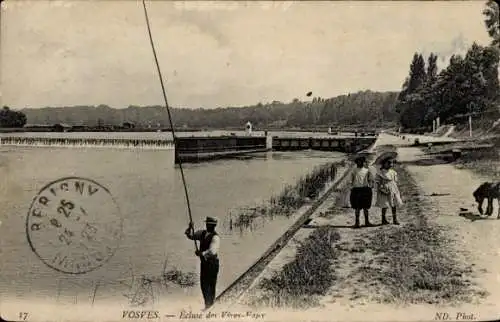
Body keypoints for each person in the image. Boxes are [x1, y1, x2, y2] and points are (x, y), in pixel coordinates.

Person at [185, 216, 220, 310]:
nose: (209, 226)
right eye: (208, 224)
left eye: (211, 225)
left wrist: (201, 253)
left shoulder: (215, 237)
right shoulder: (202, 233)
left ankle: (210, 306)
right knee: (204, 285)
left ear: (214, 226)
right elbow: (191, 236)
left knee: (211, 285)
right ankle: (207, 305)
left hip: (212, 264)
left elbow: (212, 251)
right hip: (204, 263)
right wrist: (189, 227)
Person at [375, 157, 403, 225]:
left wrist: (394, 187)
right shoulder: (380, 172)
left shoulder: (393, 172)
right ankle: (383, 219)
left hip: (393, 188)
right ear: (383, 164)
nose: (390, 164)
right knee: (385, 204)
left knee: (394, 203)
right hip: (384, 189)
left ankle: (395, 219)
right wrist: (381, 187)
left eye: (391, 163)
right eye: (388, 163)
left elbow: (395, 181)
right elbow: (378, 182)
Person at [349, 156, 374, 228]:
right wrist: (351, 187)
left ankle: (367, 222)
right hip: (356, 190)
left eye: (362, 161)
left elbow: (370, 179)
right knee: (357, 207)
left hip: (365, 190)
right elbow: (350, 180)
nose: (360, 163)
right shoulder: (354, 170)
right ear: (356, 162)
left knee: (366, 207)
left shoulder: (367, 170)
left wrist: (371, 185)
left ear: (363, 162)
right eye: (359, 161)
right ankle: (357, 223)